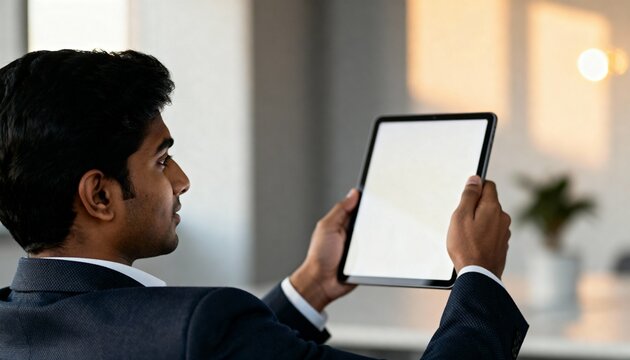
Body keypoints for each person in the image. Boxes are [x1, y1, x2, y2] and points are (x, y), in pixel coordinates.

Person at [0, 49, 528, 359]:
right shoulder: (205, 324)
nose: (181, 182)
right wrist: (478, 271)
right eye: (162, 161)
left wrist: (310, 287)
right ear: (98, 195)